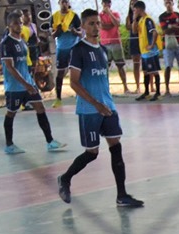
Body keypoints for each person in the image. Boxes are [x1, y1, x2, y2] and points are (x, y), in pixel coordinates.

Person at [58, 9, 144, 209]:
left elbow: (101, 79)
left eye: (97, 23)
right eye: (91, 24)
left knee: (116, 147)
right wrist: (96, 104)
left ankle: (122, 195)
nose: (96, 27)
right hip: (90, 110)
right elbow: (74, 83)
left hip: (108, 107)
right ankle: (65, 178)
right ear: (83, 27)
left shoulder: (103, 50)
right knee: (92, 152)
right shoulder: (78, 50)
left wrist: (107, 103)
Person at [0, 11, 67, 154]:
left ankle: (50, 141)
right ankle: (9, 145)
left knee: (40, 108)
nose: (19, 25)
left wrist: (30, 80)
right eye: (16, 23)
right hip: (15, 86)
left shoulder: (22, 40)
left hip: (28, 82)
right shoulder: (6, 43)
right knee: (11, 113)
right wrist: (25, 84)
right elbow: (10, 68)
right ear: (9, 25)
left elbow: (24, 63)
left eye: (20, 22)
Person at [51, 0, 82, 107]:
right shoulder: (54, 16)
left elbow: (80, 32)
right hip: (62, 48)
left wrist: (74, 32)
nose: (64, 4)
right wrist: (58, 31)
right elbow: (52, 35)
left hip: (74, 47)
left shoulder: (74, 16)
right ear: (59, 3)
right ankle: (58, 98)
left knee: (76, 72)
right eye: (62, 2)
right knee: (60, 73)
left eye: (66, 2)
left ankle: (80, 95)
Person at [133, 0, 163, 101]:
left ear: (140, 9)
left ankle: (158, 92)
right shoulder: (141, 20)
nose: (134, 11)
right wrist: (134, 19)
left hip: (150, 52)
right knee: (146, 72)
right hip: (144, 52)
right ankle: (146, 92)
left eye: (135, 9)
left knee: (154, 71)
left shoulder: (148, 20)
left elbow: (154, 32)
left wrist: (152, 45)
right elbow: (134, 30)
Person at [100, 0, 132, 94]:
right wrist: (111, 24)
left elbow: (117, 23)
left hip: (115, 42)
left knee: (120, 65)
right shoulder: (99, 15)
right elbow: (102, 26)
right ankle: (105, 88)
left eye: (108, 3)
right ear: (102, 4)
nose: (107, 4)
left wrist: (109, 13)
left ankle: (125, 87)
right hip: (104, 43)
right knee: (105, 67)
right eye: (105, 3)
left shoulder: (115, 13)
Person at [126, 0, 143, 93]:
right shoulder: (129, 17)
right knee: (136, 64)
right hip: (134, 41)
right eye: (132, 4)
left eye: (135, 4)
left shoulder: (144, 16)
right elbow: (130, 28)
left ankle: (150, 85)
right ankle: (138, 86)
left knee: (146, 63)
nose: (133, 6)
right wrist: (134, 18)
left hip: (143, 40)